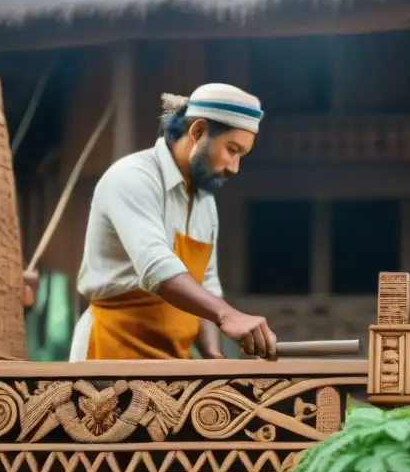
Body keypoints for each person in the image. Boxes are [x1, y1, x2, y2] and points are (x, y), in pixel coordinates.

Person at [59, 82, 277, 361]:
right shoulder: (132, 177)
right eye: (232, 150)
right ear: (197, 132)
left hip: (175, 362)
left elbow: (206, 284)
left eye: (241, 156)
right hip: (112, 353)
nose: (234, 167)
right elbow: (157, 266)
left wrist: (213, 356)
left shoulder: (205, 200)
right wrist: (227, 314)